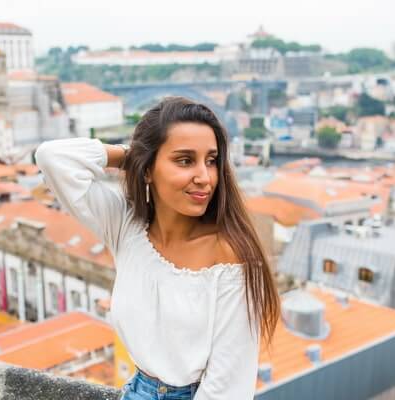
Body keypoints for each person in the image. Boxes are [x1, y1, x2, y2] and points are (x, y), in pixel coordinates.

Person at [35, 97, 279, 399]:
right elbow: (52, 157)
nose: (205, 177)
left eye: (212, 160)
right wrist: (133, 157)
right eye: (185, 160)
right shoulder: (127, 227)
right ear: (148, 168)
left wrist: (147, 162)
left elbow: (227, 388)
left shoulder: (230, 256)